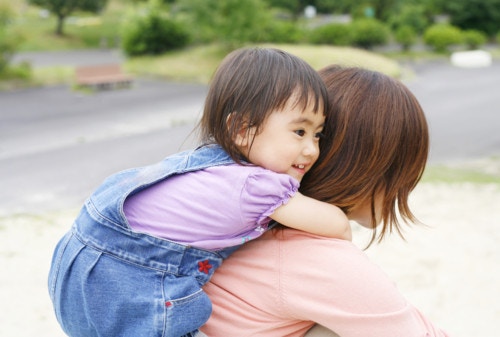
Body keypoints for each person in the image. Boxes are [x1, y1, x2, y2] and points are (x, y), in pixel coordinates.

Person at [48, 48, 352, 337]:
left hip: (74, 269)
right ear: (242, 130)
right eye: (299, 132)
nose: (312, 150)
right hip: (128, 287)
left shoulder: (209, 166)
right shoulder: (259, 186)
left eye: (318, 134)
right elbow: (337, 226)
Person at [201, 65, 451, 337]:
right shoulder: (318, 260)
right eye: (403, 167)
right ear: (361, 164)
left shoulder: (243, 230)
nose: (407, 184)